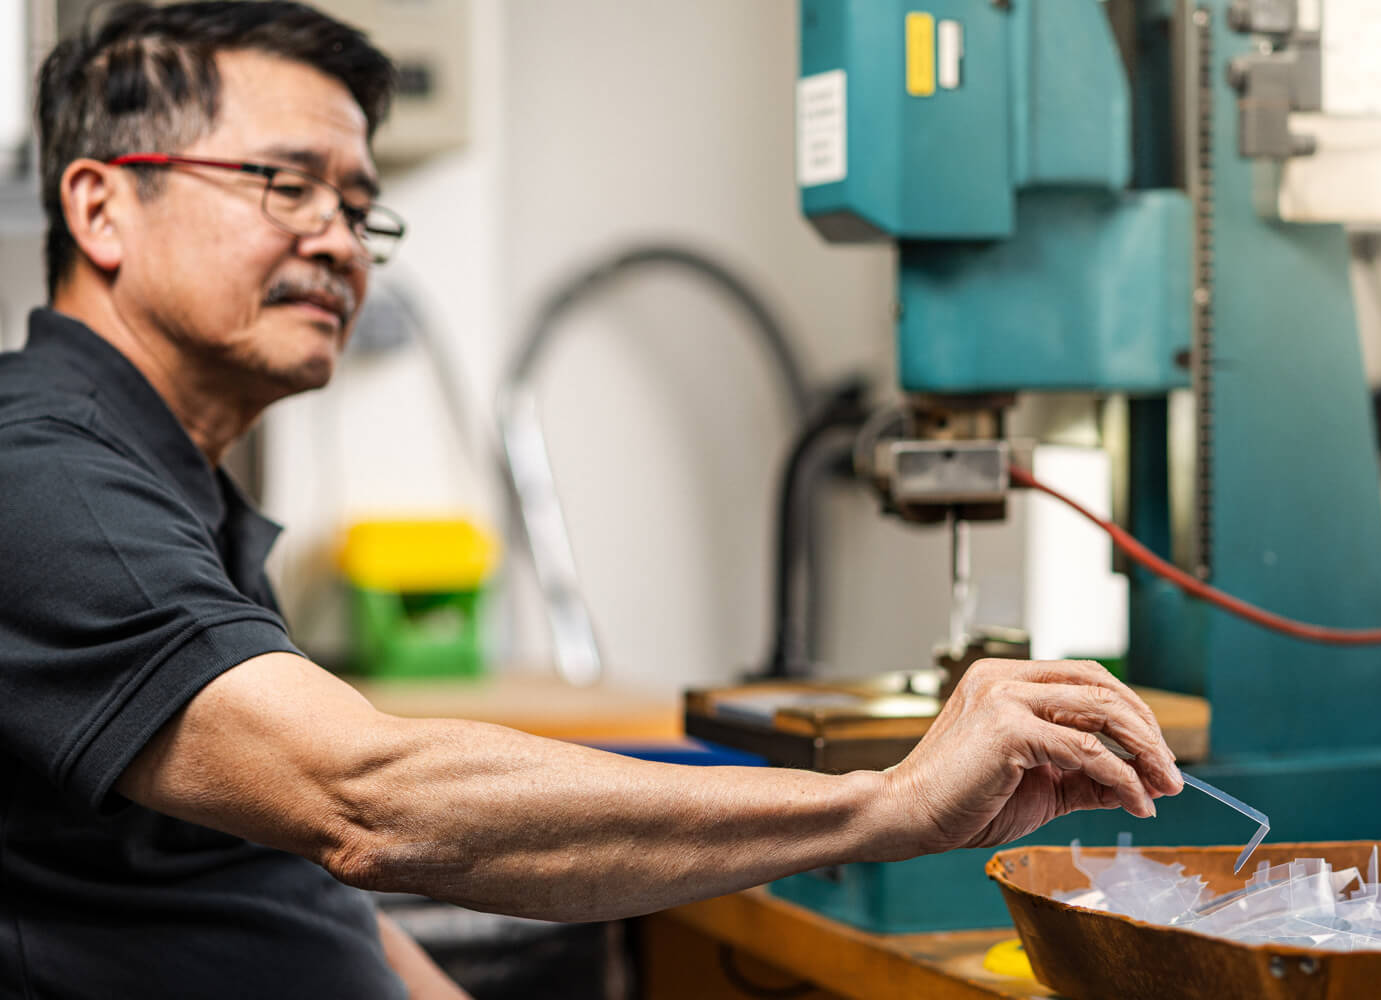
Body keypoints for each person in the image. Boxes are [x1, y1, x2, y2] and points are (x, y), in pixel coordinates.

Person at [0, 2, 1184, 996]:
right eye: (286, 184)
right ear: (102, 206)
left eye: (360, 207)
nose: (341, 242)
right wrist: (890, 804)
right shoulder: (46, 474)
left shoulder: (164, 475)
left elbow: (281, 885)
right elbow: (367, 802)